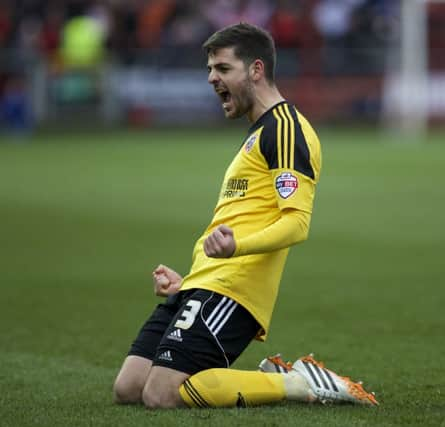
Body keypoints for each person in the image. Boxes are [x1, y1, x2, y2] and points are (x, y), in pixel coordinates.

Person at [112, 22, 377, 409]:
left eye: (222, 68)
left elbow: (296, 223)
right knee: (129, 388)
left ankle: (297, 383)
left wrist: (238, 247)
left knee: (161, 394)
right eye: (209, 70)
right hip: (205, 282)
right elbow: (243, 214)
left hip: (234, 289)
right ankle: (205, 309)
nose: (211, 78)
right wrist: (188, 281)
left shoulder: (286, 129)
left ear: (255, 69)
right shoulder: (258, 132)